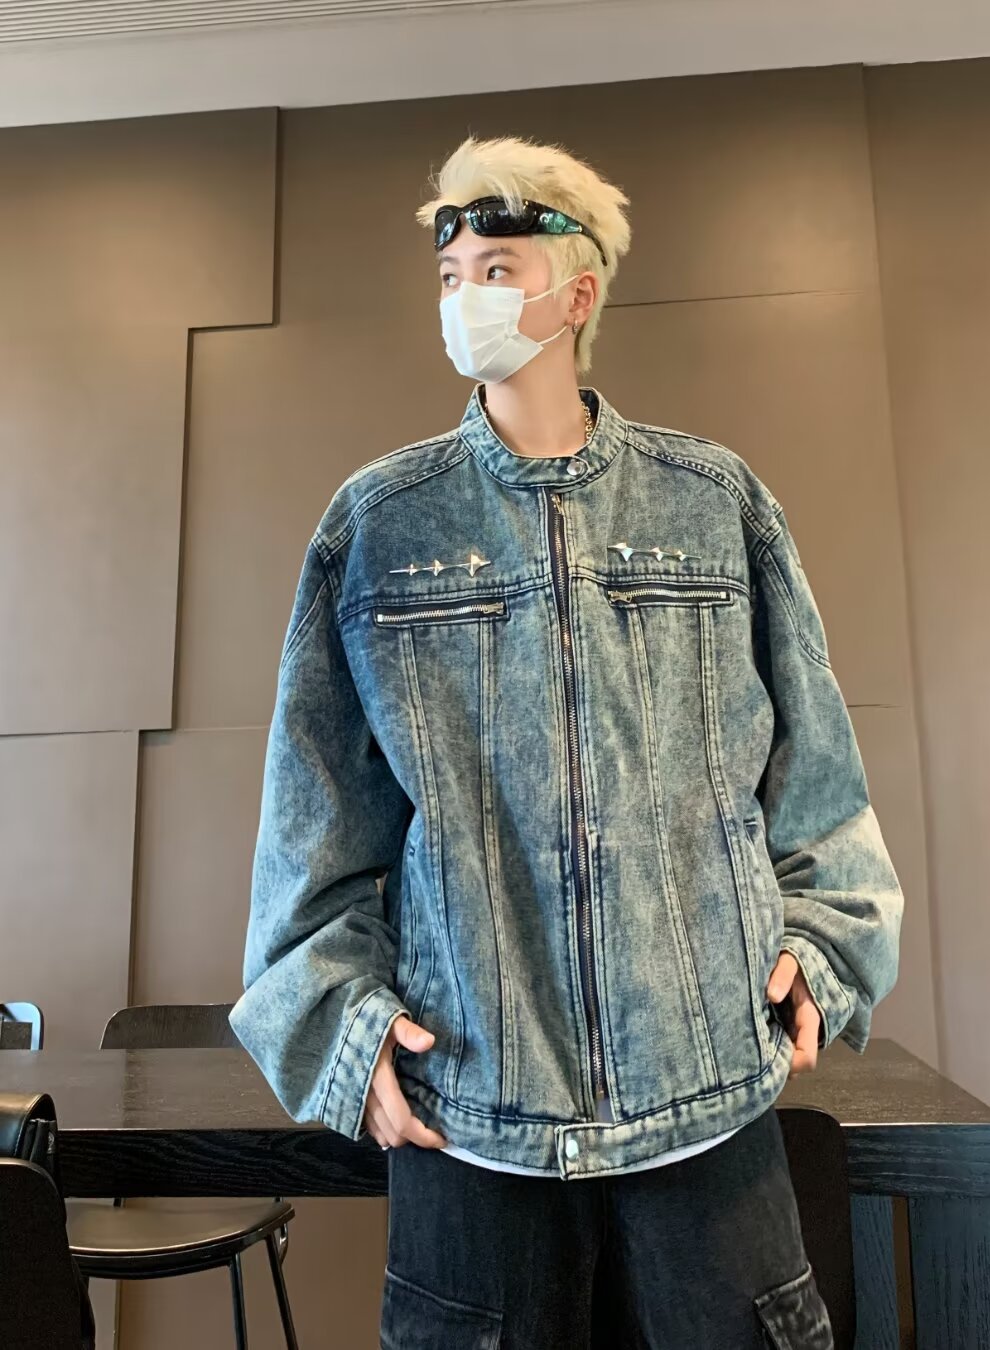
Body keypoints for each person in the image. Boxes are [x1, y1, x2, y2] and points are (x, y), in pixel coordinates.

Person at [230, 133, 904, 1348]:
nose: (467, 299)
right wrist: (340, 1021)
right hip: (470, 1104)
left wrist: (826, 943)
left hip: (706, 1093)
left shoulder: (713, 502)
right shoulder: (380, 526)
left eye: (497, 270)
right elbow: (312, 818)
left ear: (577, 292)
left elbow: (817, 772)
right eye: (451, 276)